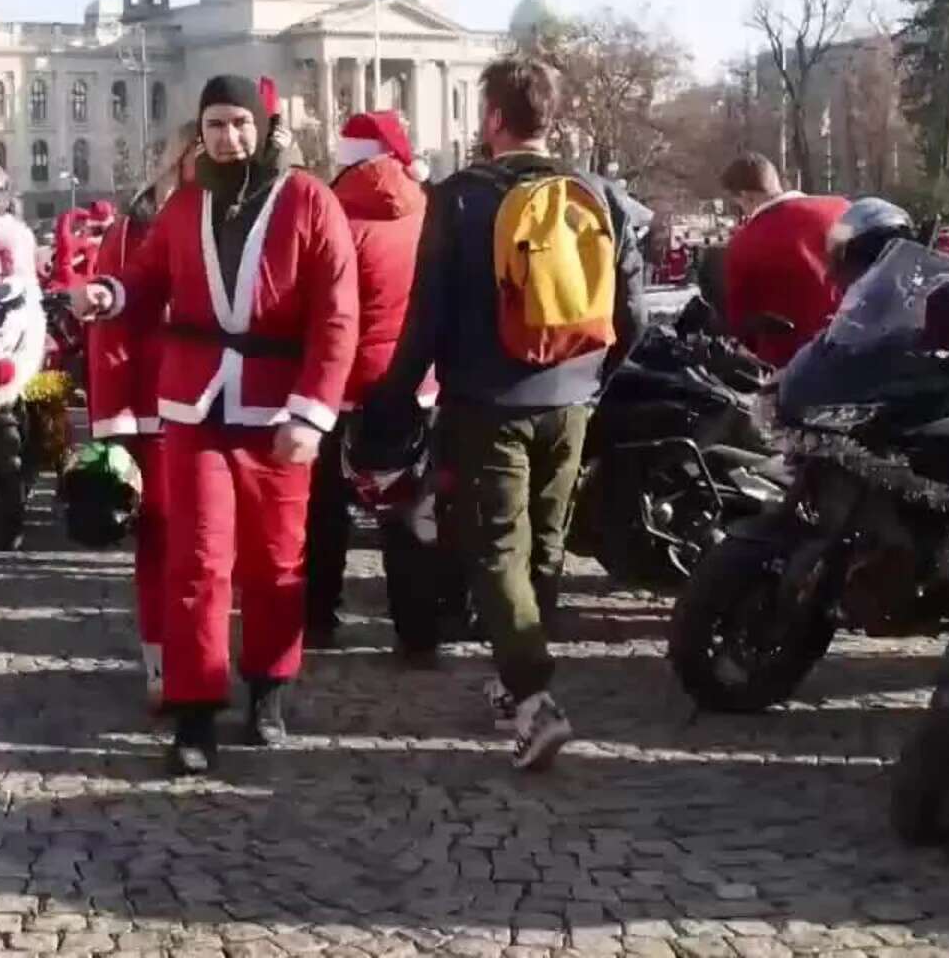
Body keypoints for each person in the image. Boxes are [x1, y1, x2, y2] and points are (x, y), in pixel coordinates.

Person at [357, 57, 648, 771]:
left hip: (487, 401)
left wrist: (391, 403)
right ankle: (520, 675)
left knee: (494, 550)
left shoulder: (458, 198)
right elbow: (632, 312)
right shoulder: (598, 193)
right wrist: (594, 376)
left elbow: (425, 319)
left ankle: (530, 695)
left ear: (491, 118)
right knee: (544, 545)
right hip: (572, 396)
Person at [74, 75, 359, 776]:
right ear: (199, 134)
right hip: (195, 408)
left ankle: (268, 689)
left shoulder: (309, 202)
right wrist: (110, 294)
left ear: (263, 127)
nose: (227, 137)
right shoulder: (186, 205)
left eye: (238, 123)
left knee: (275, 562)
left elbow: (336, 316)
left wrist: (313, 412)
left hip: (276, 410)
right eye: (214, 126)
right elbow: (146, 279)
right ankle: (195, 707)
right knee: (197, 561)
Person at [303, 111, 432, 657]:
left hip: (340, 384)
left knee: (324, 510)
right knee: (405, 512)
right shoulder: (429, 208)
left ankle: (319, 617)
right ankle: (417, 632)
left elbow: (316, 306)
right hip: (410, 382)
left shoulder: (330, 214)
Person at [87, 127, 199, 704]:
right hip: (157, 416)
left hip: (225, 413)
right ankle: (161, 659)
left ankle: (207, 661)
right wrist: (114, 426)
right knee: (161, 541)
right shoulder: (132, 234)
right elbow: (111, 331)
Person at [720, 153, 850, 368]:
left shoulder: (745, 243)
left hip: (791, 365)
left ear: (745, 196)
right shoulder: (841, 209)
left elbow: (741, 319)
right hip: (856, 344)